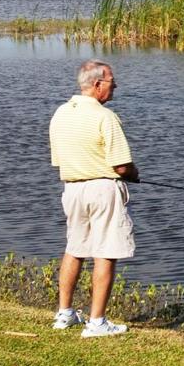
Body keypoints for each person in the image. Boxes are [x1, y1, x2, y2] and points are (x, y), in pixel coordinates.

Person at [49, 59, 140, 337]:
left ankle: (64, 314)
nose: (116, 87)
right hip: (102, 190)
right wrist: (134, 175)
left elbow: (58, 161)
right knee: (106, 253)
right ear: (98, 84)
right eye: (112, 82)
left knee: (74, 248)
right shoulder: (105, 117)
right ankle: (97, 322)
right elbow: (122, 166)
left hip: (72, 189)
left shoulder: (61, 113)